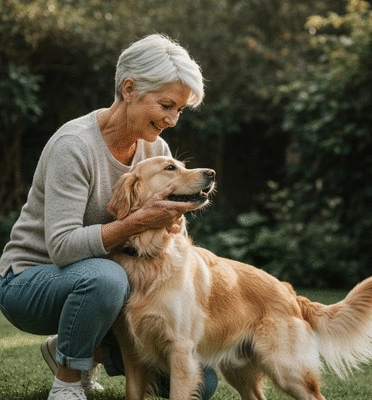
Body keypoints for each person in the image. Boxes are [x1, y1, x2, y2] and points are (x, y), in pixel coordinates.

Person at [0, 34, 218, 400]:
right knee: (106, 277)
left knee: (200, 382)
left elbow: (163, 234)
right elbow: (63, 248)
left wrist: (172, 224)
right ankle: (69, 380)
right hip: (30, 281)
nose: (172, 119)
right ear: (129, 88)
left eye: (179, 110)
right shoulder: (74, 146)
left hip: (112, 281)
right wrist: (140, 221)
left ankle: (78, 344)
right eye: (166, 105)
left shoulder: (156, 148)